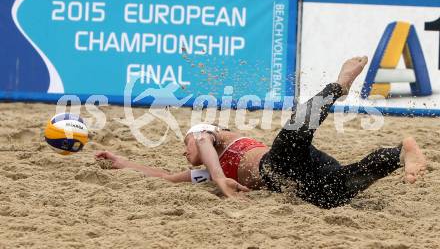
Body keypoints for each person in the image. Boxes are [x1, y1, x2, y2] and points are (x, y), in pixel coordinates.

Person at [95, 56, 427, 208]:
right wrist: (122, 162)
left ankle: (337, 86)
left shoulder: (206, 132)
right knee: (334, 194)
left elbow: (202, 146)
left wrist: (220, 178)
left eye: (185, 148)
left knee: (293, 133)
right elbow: (166, 177)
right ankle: (397, 154)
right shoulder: (207, 173)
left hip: (277, 162)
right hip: (293, 180)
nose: (185, 154)